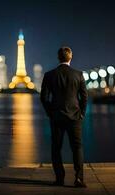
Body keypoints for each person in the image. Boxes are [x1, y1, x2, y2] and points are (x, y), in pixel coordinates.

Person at [40, 46, 88, 187]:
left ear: (58, 57)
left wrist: (50, 112)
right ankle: (79, 179)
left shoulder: (49, 75)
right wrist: (82, 113)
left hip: (56, 117)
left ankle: (59, 179)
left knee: (56, 148)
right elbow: (84, 97)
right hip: (75, 117)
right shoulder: (78, 74)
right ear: (70, 57)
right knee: (77, 148)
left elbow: (44, 97)